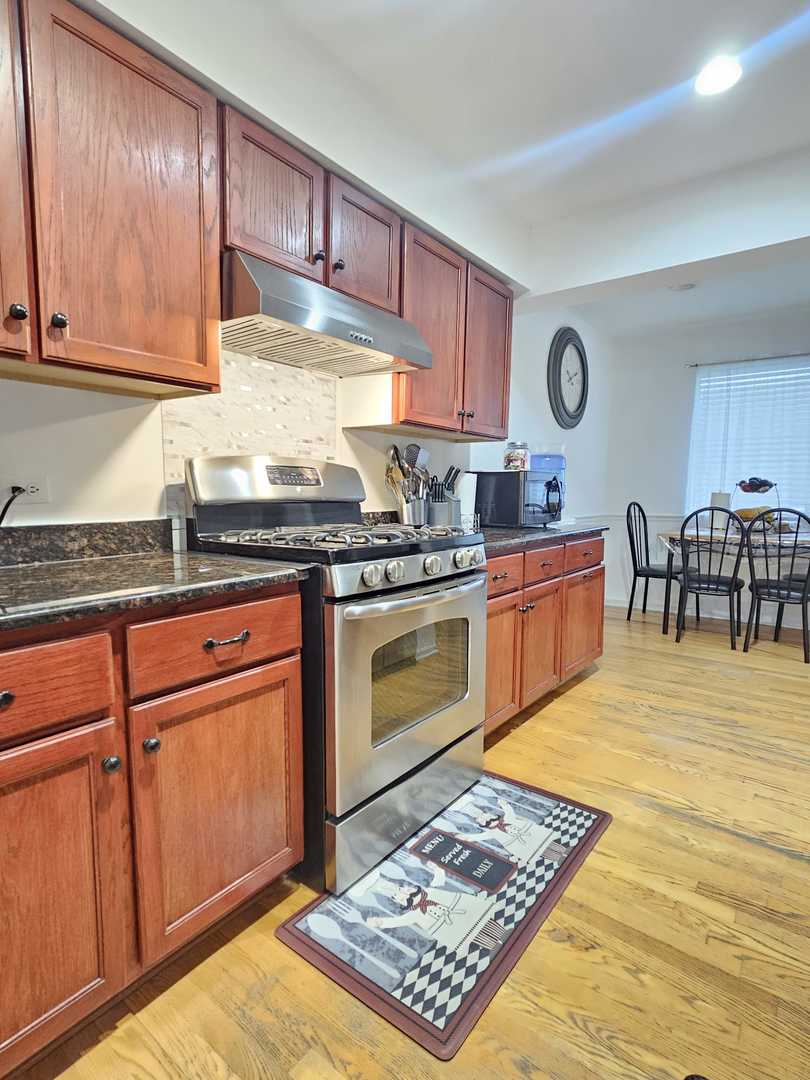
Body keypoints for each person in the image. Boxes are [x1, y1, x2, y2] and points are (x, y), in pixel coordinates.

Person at [364, 863, 509, 953]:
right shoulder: (413, 914)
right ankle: (492, 946)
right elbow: (398, 921)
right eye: (398, 897)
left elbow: (439, 878)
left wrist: (437, 869)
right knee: (473, 935)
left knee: (484, 921)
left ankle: (503, 933)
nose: (403, 893)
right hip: (449, 927)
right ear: (400, 903)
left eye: (403, 889)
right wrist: (381, 922)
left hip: (460, 907)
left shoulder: (430, 890)